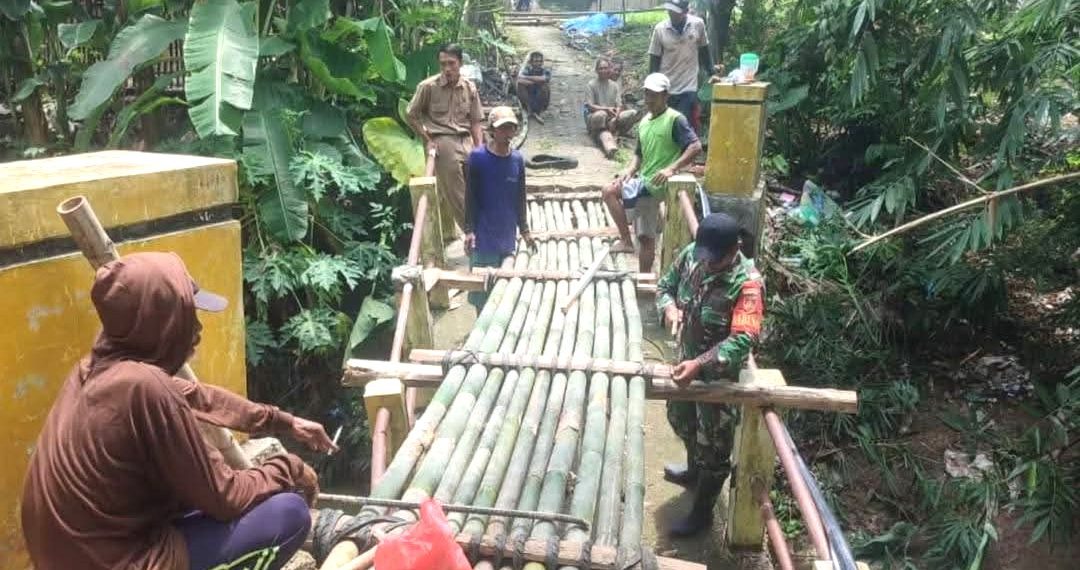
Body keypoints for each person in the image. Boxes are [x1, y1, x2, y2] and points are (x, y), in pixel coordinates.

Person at [21, 252, 338, 570]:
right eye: (187, 315)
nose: (197, 328)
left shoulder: (95, 370)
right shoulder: (147, 388)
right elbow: (225, 497)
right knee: (288, 513)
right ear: (158, 321)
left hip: (74, 554)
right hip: (117, 561)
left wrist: (283, 421)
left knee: (196, 496)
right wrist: (289, 468)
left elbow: (201, 397)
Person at [656, 213, 764, 537]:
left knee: (715, 450)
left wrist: (700, 364)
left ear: (734, 250)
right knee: (682, 420)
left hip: (718, 380)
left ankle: (701, 516)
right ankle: (693, 471)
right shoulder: (693, 254)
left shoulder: (748, 283)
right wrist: (669, 307)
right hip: (685, 366)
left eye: (715, 260)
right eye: (704, 257)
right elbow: (665, 286)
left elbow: (743, 338)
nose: (707, 265)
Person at [601, 73, 702, 274]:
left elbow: (695, 146)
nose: (649, 100)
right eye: (647, 94)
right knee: (610, 192)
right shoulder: (645, 121)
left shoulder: (675, 119)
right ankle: (629, 244)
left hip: (657, 185)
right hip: (645, 180)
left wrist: (671, 168)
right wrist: (630, 170)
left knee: (646, 237)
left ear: (665, 96)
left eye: (654, 95)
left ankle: (641, 270)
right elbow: (639, 153)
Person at [407, 43, 485, 236]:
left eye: (451, 63)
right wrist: (427, 138)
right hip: (442, 139)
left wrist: (480, 148)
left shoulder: (469, 87)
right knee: (456, 191)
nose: (447, 68)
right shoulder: (428, 87)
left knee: (478, 184)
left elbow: (476, 121)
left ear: (460, 63)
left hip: (466, 139)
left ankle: (484, 226)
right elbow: (411, 115)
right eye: (443, 64)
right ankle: (472, 233)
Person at [464, 106, 535, 309]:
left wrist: (525, 230)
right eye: (502, 128)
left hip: (506, 235)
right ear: (492, 131)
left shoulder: (517, 160)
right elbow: (470, 197)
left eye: (511, 127)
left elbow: (520, 197)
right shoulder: (477, 158)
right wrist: (469, 230)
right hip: (483, 237)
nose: (507, 132)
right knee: (481, 292)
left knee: (504, 291)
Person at [648, 0, 713, 131]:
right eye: (670, 10)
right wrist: (652, 86)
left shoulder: (698, 24)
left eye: (675, 12)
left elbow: (704, 50)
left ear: (685, 11)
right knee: (666, 126)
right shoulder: (660, 29)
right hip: (666, 87)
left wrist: (711, 71)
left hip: (688, 86)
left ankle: (690, 142)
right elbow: (654, 59)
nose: (671, 14)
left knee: (684, 123)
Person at [584, 57, 639, 158]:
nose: (603, 71)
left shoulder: (614, 85)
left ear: (609, 69)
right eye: (601, 68)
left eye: (605, 68)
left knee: (633, 113)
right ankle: (601, 133)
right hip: (596, 117)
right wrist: (606, 109)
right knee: (601, 115)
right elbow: (590, 106)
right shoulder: (591, 85)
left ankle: (616, 131)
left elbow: (619, 105)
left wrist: (615, 118)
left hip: (611, 117)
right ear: (596, 70)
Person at [516, 51, 551, 124]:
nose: (538, 63)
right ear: (531, 62)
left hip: (540, 97)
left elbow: (544, 79)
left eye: (540, 61)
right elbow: (519, 80)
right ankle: (528, 108)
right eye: (536, 61)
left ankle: (540, 111)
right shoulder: (527, 69)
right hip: (530, 96)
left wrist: (526, 78)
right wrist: (536, 82)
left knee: (545, 86)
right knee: (520, 85)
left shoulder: (546, 70)